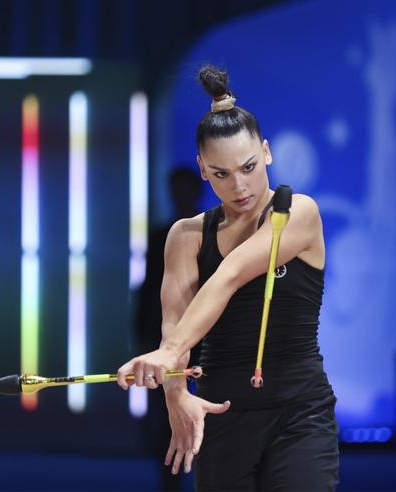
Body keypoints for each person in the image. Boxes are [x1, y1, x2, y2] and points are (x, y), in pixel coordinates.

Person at [118, 64, 339, 490]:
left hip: (300, 413)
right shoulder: (184, 236)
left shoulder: (298, 213)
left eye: (249, 166)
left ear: (268, 152)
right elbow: (172, 332)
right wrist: (177, 395)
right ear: (202, 169)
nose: (239, 185)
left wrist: (170, 355)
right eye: (221, 174)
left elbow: (231, 274)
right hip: (221, 415)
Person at [135, 167, 203, 491]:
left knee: (213, 412)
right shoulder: (160, 234)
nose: (180, 195)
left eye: (185, 188)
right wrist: (142, 334)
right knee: (166, 416)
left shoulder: (215, 233)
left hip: (209, 335)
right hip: (164, 333)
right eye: (174, 189)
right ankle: (170, 483)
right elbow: (150, 289)